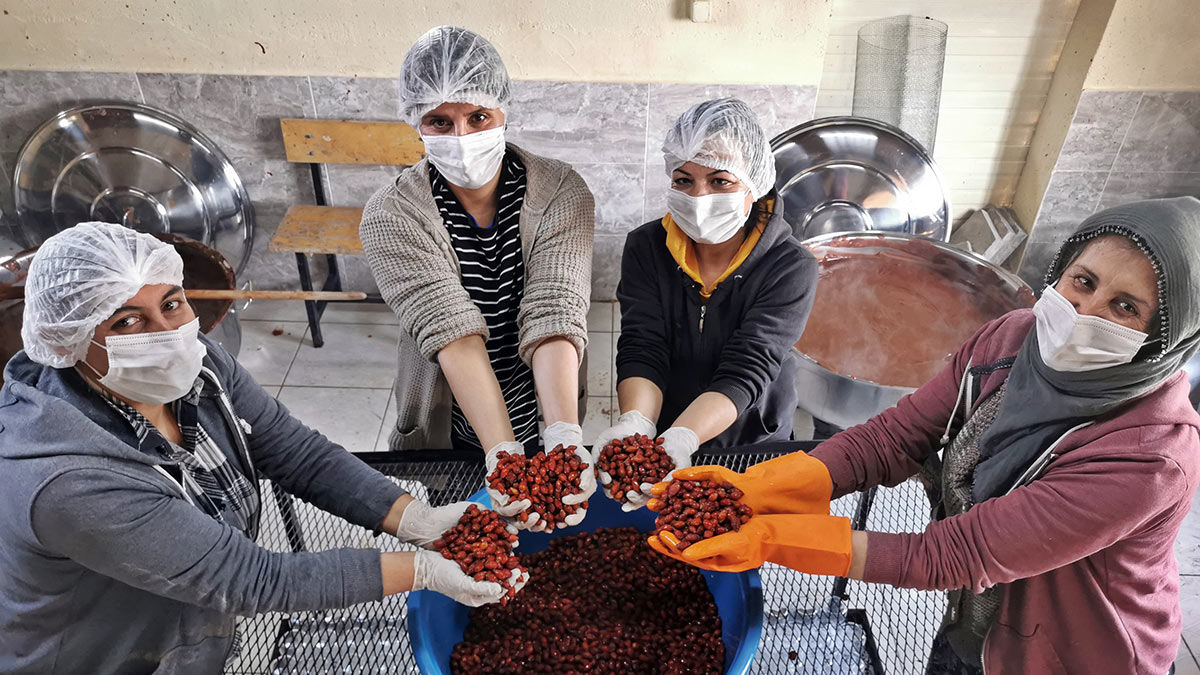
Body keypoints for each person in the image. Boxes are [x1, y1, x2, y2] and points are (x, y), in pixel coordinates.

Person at [648, 197, 1200, 674]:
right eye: (1083, 281)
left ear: (1167, 336)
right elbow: (895, 436)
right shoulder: (1012, 337)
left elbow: (953, 554)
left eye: (1125, 308)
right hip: (979, 615)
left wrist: (771, 538)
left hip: (1078, 652)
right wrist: (763, 489)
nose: (1084, 311)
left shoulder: (1152, 457)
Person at [0, 223, 526, 674]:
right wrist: (423, 569)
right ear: (68, 343)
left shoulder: (197, 362)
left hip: (181, 620)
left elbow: (296, 453)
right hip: (102, 655)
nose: (167, 334)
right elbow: (253, 578)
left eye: (171, 303)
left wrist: (417, 521)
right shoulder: (66, 480)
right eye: (126, 322)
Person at [359, 25, 595, 530]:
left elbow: (555, 308)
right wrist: (503, 453)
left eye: (478, 116)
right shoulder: (390, 216)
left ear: (503, 110)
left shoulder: (562, 193)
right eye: (439, 121)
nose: (461, 137)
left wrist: (562, 438)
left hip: (546, 398)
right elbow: (452, 334)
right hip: (455, 419)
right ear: (415, 124)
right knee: (475, 535)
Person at [591, 98, 817, 509]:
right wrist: (638, 426)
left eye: (720, 181)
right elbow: (645, 345)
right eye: (683, 180)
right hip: (666, 419)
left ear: (753, 183)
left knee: (737, 540)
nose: (698, 196)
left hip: (749, 439)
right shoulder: (646, 247)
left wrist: (683, 438)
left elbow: (749, 365)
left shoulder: (790, 266)